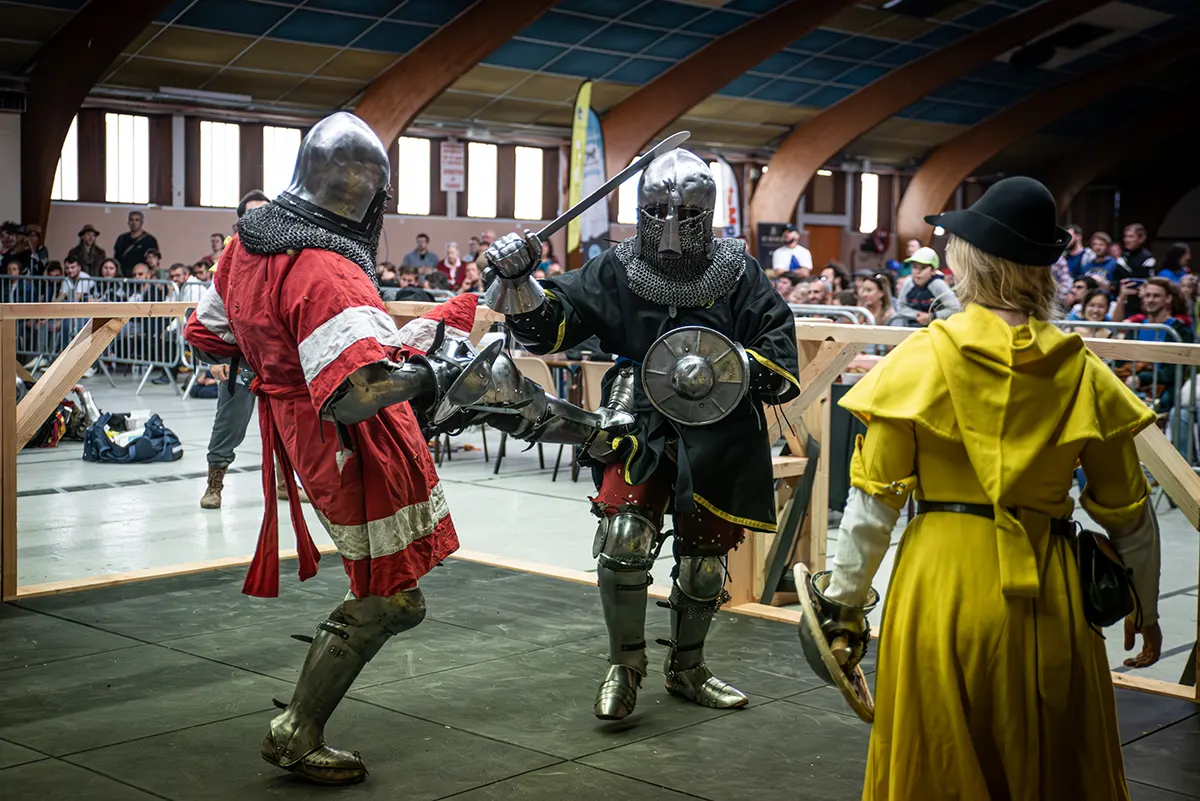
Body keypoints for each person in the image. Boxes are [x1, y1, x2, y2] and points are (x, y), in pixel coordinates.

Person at [811, 176, 1162, 800]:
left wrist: (841, 611)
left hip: (940, 587)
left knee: (936, 766)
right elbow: (1130, 515)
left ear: (968, 262)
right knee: (1051, 769)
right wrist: (1147, 607)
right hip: (1051, 591)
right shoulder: (1082, 371)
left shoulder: (921, 360)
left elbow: (873, 505)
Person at [184, 113, 462, 784]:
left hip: (297, 424)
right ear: (368, 196)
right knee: (392, 598)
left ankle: (299, 724)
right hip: (344, 440)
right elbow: (355, 393)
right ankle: (296, 730)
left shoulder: (247, 242)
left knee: (392, 590)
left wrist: (277, 355)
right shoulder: (327, 267)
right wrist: (441, 372)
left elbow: (208, 333)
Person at [480, 147, 800, 721]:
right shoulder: (616, 267)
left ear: (708, 215)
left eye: (686, 215)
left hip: (720, 424)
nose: (671, 228)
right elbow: (551, 326)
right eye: (656, 213)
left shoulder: (739, 270)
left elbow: (777, 346)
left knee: (704, 560)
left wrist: (724, 367)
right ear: (639, 212)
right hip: (638, 420)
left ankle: (689, 667)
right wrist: (519, 280)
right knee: (623, 539)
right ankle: (624, 666)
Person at [198, 189, 308, 510]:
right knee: (230, 421)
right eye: (252, 213)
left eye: (264, 212)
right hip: (241, 357)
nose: (259, 218)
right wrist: (216, 358)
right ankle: (214, 485)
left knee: (287, 422)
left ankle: (286, 483)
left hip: (277, 357)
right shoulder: (230, 260)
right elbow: (210, 314)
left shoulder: (287, 254)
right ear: (241, 221)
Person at [893, 246, 960, 326]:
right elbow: (900, 306)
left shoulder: (938, 285)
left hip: (935, 326)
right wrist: (918, 315)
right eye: (914, 267)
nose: (917, 272)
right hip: (910, 325)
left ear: (933, 270)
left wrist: (932, 316)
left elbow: (956, 308)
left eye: (923, 268)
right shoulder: (908, 283)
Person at [113, 210, 159, 277]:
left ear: (141, 222)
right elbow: (116, 258)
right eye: (131, 220)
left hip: (142, 276)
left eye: (137, 220)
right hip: (123, 275)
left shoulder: (150, 240)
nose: (134, 223)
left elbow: (153, 261)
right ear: (128, 222)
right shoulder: (122, 239)